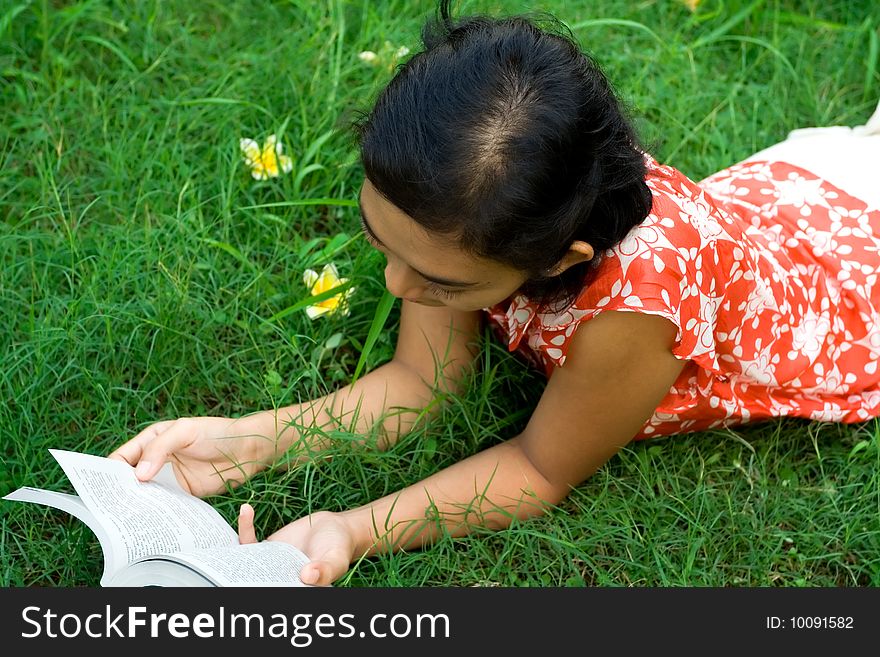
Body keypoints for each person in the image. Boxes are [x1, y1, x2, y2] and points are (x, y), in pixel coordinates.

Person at [108, 1, 880, 586]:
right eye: (383, 243)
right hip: (793, 202)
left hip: (851, 282)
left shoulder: (635, 311)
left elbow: (541, 470)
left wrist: (349, 528)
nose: (396, 286)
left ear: (557, 260)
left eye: (441, 283)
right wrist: (245, 441)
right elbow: (420, 385)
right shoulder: (459, 191)